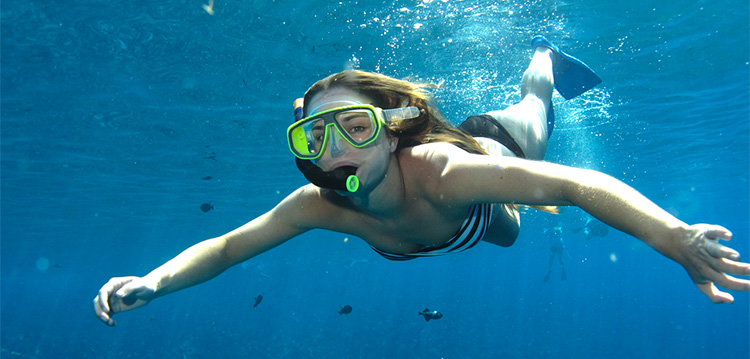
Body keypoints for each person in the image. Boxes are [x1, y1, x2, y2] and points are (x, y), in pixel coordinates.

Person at [94, 35, 749, 326]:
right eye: (313, 138)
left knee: (533, 111)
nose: (333, 150)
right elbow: (230, 247)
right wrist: (156, 280)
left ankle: (544, 58)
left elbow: (576, 185)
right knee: (511, 236)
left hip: (489, 148)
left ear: (389, 128)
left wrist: (673, 237)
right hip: (468, 230)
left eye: (352, 126)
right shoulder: (323, 206)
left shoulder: (445, 172)